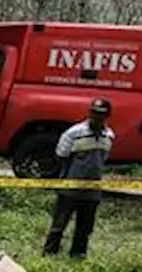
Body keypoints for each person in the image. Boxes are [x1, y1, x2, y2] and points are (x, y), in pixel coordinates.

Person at [42, 99, 115, 260]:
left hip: (93, 190)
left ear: (107, 116)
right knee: (59, 224)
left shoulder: (109, 136)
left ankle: (78, 255)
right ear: (90, 113)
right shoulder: (73, 133)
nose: (97, 118)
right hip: (70, 188)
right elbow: (61, 155)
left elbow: (103, 160)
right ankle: (49, 254)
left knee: (85, 227)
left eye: (101, 115)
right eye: (95, 113)